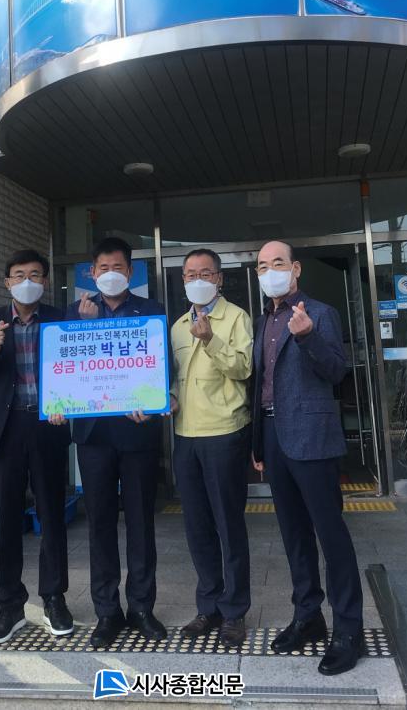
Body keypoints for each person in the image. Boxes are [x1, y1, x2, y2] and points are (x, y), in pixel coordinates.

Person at [251, 240, 364, 675]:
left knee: (331, 535)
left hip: (313, 438)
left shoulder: (320, 313)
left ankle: (348, 629)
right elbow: (261, 385)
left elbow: (337, 370)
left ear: (295, 268)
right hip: (274, 437)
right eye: (263, 266)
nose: (270, 271)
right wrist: (258, 445)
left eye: (278, 263)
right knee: (293, 534)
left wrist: (308, 337)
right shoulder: (264, 320)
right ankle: (307, 615)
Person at [0, 249, 72, 645]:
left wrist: (68, 405)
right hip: (5, 431)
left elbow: (78, 371)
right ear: (7, 281)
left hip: (48, 427)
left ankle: (54, 598)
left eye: (35, 274)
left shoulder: (61, 319)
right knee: (7, 519)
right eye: (20, 274)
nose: (28, 281)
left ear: (45, 281)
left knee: (52, 516)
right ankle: (10, 605)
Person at [63, 237, 167, 649]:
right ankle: (107, 611)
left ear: (130, 272)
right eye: (103, 267)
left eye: (118, 267)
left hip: (137, 432)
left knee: (141, 522)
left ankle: (141, 607)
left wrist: (154, 402)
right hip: (93, 436)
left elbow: (159, 365)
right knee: (100, 524)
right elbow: (64, 366)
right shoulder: (73, 314)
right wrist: (86, 328)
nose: (110, 274)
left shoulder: (151, 311)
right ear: (91, 273)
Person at [170, 248, 253, 649]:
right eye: (190, 274)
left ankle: (234, 611)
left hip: (224, 432)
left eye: (205, 273)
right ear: (183, 280)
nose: (197, 279)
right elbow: (175, 377)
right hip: (185, 435)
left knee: (228, 525)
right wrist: (168, 397)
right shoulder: (176, 326)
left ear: (219, 279)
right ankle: (208, 606)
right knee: (197, 526)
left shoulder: (236, 318)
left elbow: (244, 368)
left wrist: (211, 340)